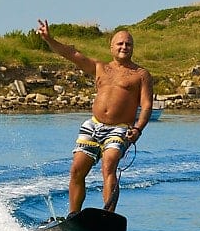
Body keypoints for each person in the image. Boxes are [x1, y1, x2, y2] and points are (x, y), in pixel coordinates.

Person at [37, 20, 154, 214]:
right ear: (111, 47)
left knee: (109, 165)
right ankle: (73, 216)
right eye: (120, 43)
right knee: (76, 170)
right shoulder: (100, 67)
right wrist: (49, 39)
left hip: (120, 128)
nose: (124, 47)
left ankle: (108, 216)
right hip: (93, 126)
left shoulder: (141, 75)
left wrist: (138, 129)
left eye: (128, 44)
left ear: (133, 48)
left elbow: (147, 105)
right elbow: (71, 54)